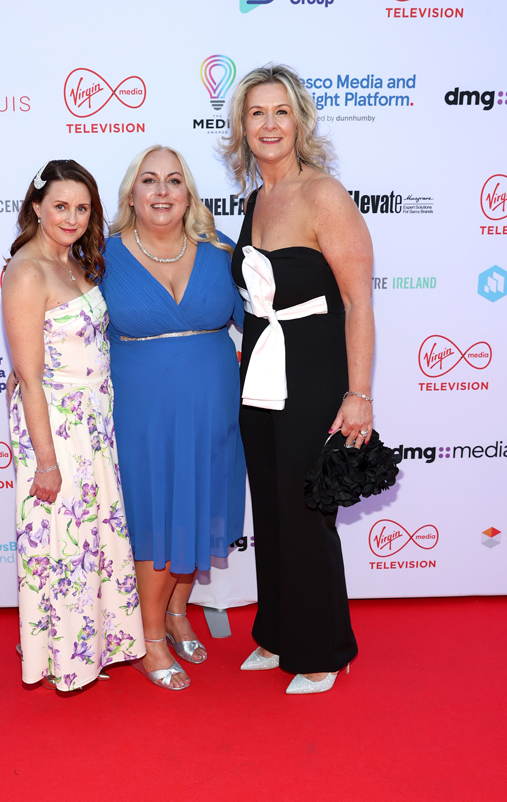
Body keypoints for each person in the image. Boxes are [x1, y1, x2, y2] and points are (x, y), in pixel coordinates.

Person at [223, 65, 374, 694]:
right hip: (261, 365)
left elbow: (359, 302)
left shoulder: (324, 195)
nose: (269, 124)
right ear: (242, 128)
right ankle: (277, 631)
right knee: (272, 505)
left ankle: (323, 647)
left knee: (307, 506)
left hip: (313, 369)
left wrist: (358, 393)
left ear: (300, 122)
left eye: (280, 111)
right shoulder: (256, 198)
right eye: (257, 113)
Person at [101, 145, 246, 690]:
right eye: (149, 181)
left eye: (174, 181)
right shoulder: (103, 256)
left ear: (189, 194)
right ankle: (150, 637)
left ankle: (179, 611)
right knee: (154, 519)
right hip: (140, 412)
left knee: (197, 508)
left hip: (212, 407)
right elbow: (64, 318)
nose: (162, 192)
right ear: (131, 195)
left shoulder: (219, 251)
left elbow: (262, 320)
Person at [2, 159, 145, 691]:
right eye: (60, 206)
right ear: (36, 207)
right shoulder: (26, 271)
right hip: (56, 432)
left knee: (89, 541)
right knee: (62, 545)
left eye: (82, 208)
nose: (71, 217)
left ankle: (90, 647)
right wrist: (44, 460)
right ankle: (64, 659)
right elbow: (31, 378)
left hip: (92, 429)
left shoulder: (77, 265)